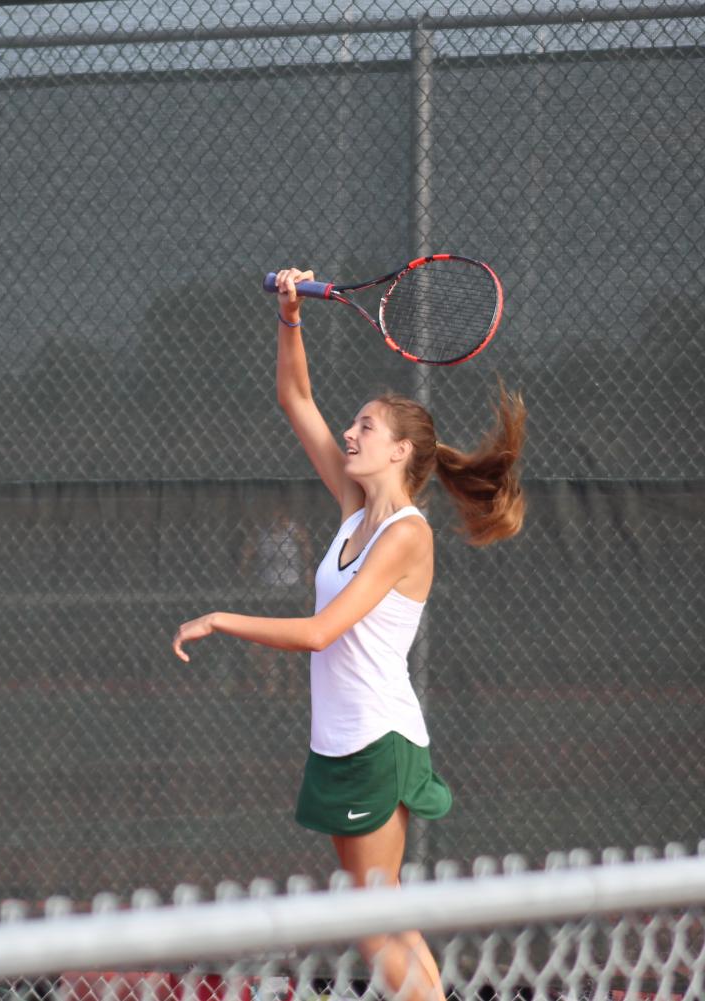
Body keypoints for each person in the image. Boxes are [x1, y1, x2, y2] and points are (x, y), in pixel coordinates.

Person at [172, 267, 527, 1001]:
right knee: (382, 910)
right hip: (339, 740)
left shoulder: (404, 533)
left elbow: (320, 631)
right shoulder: (351, 506)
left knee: (372, 918)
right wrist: (291, 315)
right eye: (355, 422)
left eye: (365, 426)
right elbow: (294, 398)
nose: (349, 432)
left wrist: (221, 618)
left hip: (376, 740)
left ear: (400, 451)